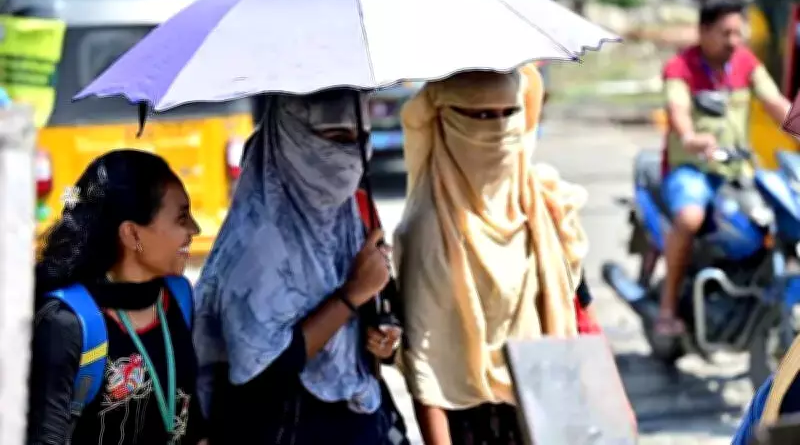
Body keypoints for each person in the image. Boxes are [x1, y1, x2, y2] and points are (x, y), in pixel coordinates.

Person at [393, 64, 622, 444]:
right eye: (481, 116)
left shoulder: (545, 202)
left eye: (509, 112)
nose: (499, 129)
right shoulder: (430, 229)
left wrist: (610, 399)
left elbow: (579, 302)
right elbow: (427, 369)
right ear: (447, 120)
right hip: (476, 422)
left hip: (555, 403)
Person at [193, 91, 409, 445]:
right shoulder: (257, 243)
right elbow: (261, 375)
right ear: (292, 137)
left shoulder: (351, 217)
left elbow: (378, 310)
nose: (352, 154)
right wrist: (350, 296)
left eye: (361, 137)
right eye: (337, 137)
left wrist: (384, 338)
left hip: (360, 418)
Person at [27, 150, 206, 445]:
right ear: (132, 234)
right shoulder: (67, 322)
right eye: (181, 218)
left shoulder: (179, 297)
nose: (194, 230)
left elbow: (190, 419)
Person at [657, 0, 794, 336]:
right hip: (692, 170)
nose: (734, 41)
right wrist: (690, 137)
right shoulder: (681, 67)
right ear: (703, 31)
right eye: (725, 33)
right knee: (690, 218)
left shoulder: (746, 63)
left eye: (738, 32)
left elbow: (776, 104)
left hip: (739, 171)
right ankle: (667, 309)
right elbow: (677, 110)